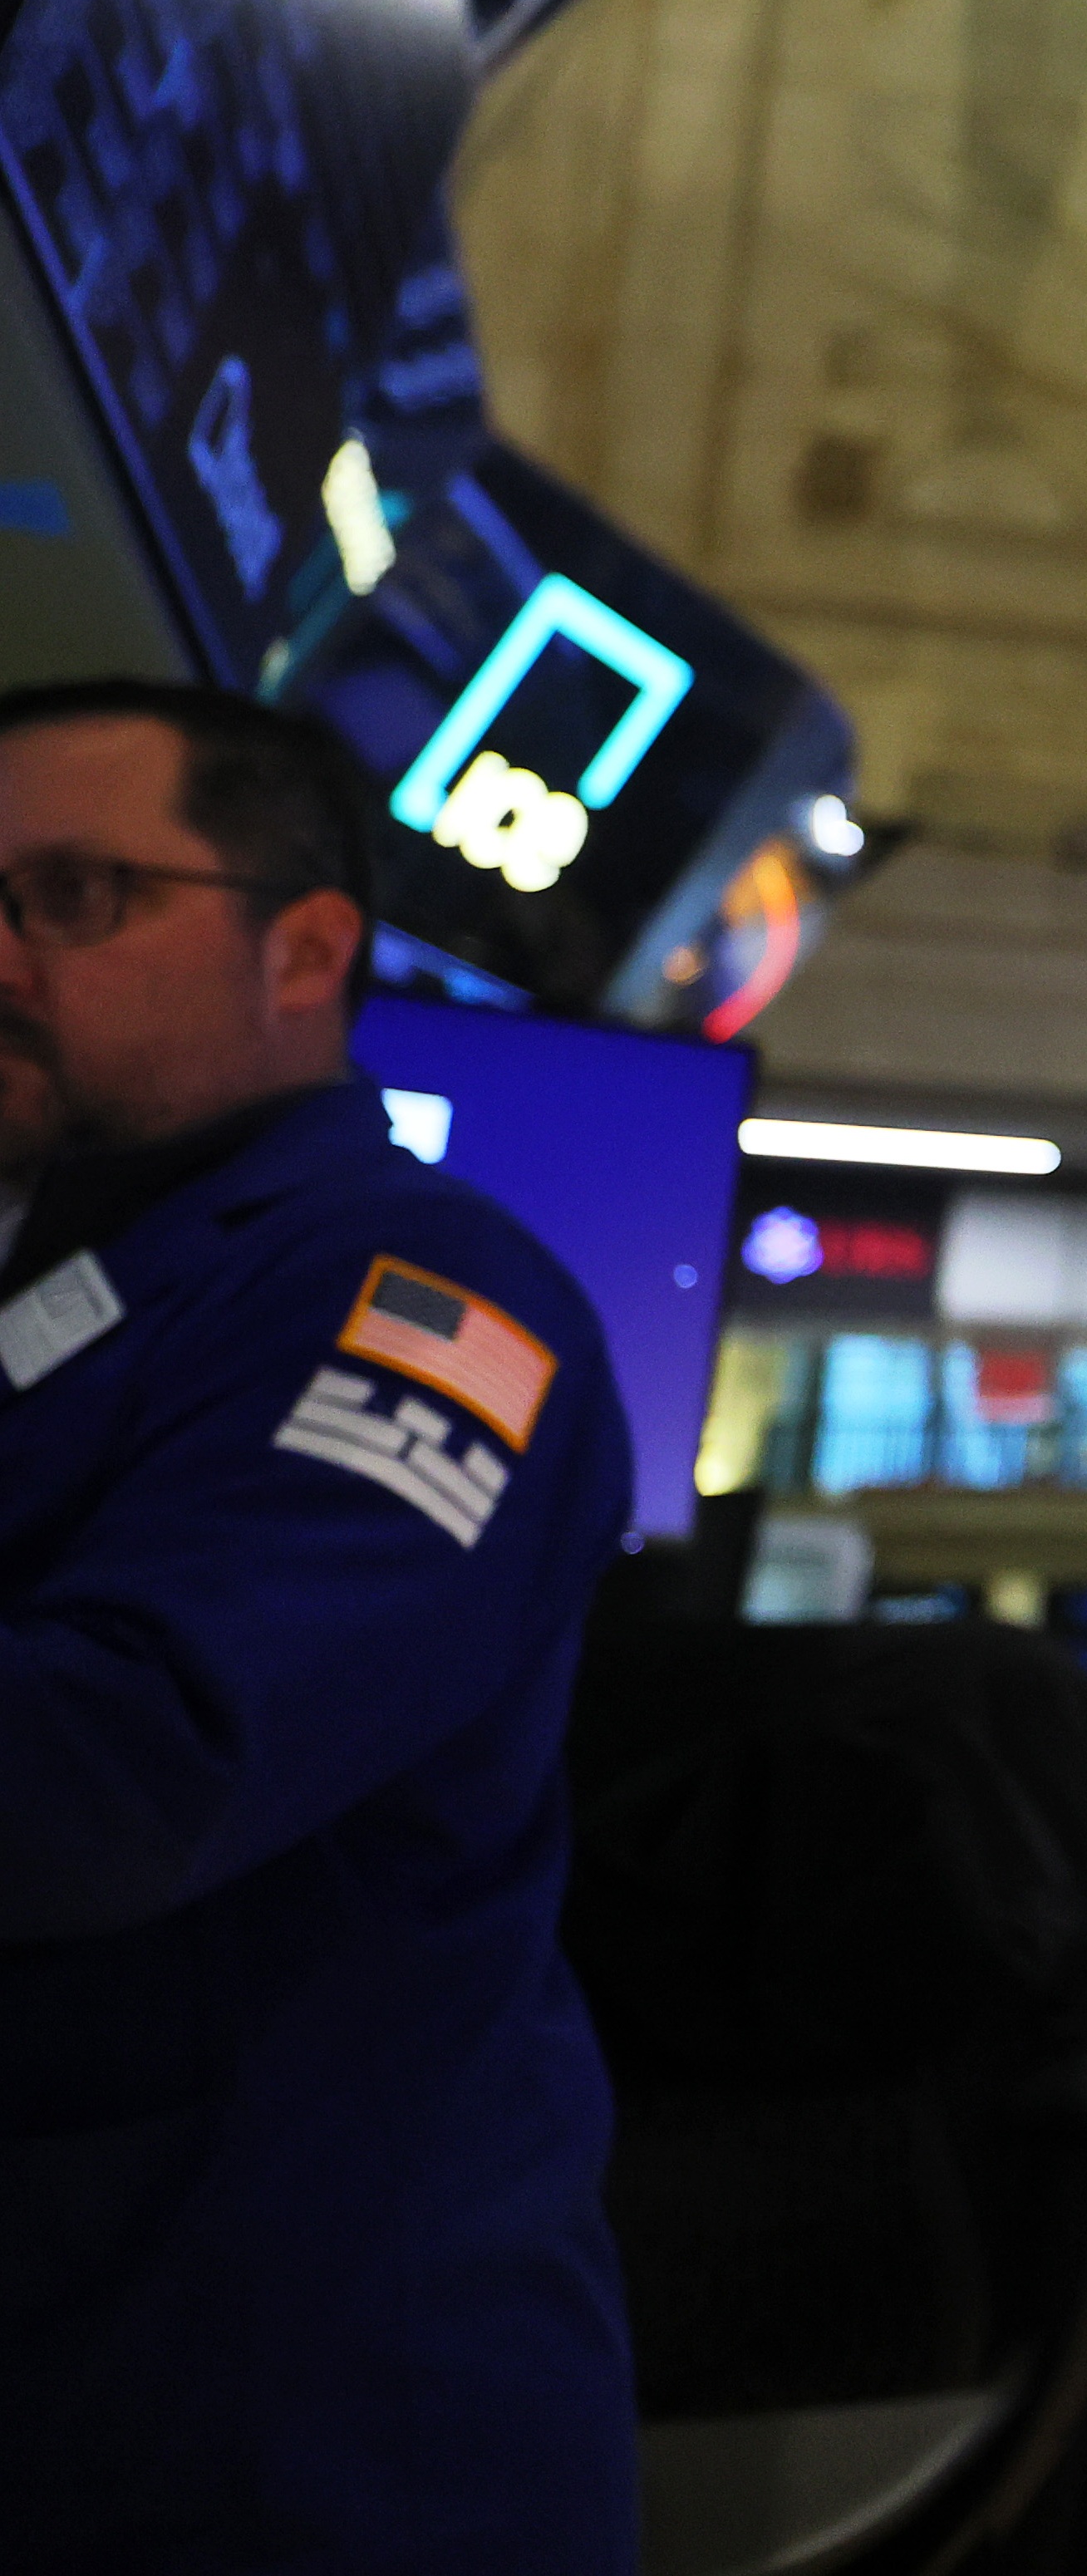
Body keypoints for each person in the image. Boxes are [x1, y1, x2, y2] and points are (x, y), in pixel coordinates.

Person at [0, 679, 637, 2572]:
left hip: (301, 2447)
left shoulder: (428, 1292)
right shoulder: (79, 1286)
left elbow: (134, 1762)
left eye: (75, 890)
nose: (6, 951)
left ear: (309, 946)